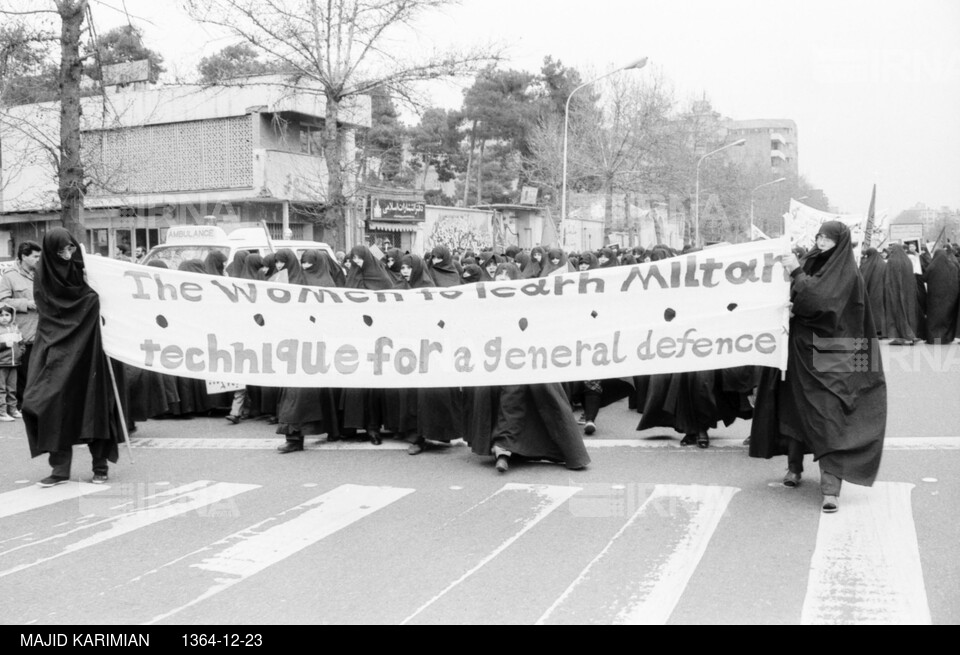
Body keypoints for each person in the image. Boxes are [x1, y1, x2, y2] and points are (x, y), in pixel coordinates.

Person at [749, 221, 886, 514]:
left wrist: (797, 273)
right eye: (819, 236)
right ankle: (794, 468)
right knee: (794, 408)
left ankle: (830, 487)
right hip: (797, 348)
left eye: (828, 238)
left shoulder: (847, 272)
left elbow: (819, 300)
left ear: (840, 242)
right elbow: (792, 294)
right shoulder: (810, 261)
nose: (821, 242)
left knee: (828, 414)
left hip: (833, 351)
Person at [25, 228, 125, 487]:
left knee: (94, 404)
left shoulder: (86, 270)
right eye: (61, 251)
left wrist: (93, 299)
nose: (67, 255)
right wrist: (87, 305)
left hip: (91, 348)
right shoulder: (43, 276)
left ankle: (99, 466)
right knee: (49, 404)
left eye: (70, 248)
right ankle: (59, 469)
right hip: (57, 348)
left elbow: (108, 298)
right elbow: (52, 311)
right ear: (50, 252)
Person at [483, 263, 590, 474]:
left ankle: (561, 449)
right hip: (500, 362)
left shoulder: (530, 303)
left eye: (505, 282)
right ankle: (502, 449)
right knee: (507, 398)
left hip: (531, 361)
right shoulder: (488, 304)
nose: (501, 286)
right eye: (498, 282)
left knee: (545, 398)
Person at [0, 241, 40, 410]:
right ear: (24, 256)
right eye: (35, 256)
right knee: (23, 372)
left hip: (42, 331)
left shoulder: (41, 273)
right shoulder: (9, 276)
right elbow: (3, 302)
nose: (39, 260)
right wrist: (27, 303)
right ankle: (22, 406)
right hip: (22, 334)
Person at [921, 247, 960, 344]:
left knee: (934, 319)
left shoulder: (932, 266)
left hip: (934, 298)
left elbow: (924, 278)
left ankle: (935, 340)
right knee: (947, 318)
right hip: (950, 298)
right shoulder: (952, 266)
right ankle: (946, 338)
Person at [0, 304, 25, 421]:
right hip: (1, 364)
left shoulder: (15, 328)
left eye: (7, 315)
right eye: (1, 315)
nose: (4, 317)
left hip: (14, 363)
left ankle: (13, 410)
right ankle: (2, 412)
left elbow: (21, 343)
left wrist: (20, 352)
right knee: (1, 389)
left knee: (12, 388)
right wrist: (4, 345)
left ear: (12, 316)